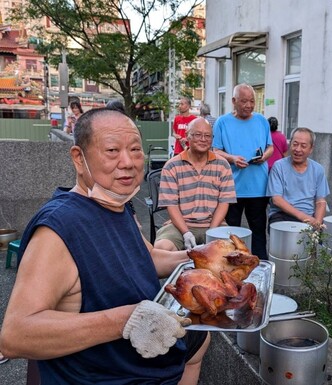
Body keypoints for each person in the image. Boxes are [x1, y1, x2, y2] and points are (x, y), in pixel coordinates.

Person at [0, 108, 210, 385]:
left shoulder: (116, 204)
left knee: (200, 337)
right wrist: (126, 319)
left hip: (147, 355)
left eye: (135, 150)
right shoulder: (60, 227)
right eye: (112, 150)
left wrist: (197, 256)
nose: (128, 162)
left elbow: (144, 256)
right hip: (109, 373)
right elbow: (16, 335)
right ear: (78, 158)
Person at [154, 117, 236, 251]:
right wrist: (185, 232)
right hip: (180, 224)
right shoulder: (172, 166)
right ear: (187, 136)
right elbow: (171, 205)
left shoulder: (223, 165)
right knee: (161, 249)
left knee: (231, 252)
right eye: (197, 134)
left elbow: (224, 202)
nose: (203, 139)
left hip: (214, 223)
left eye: (207, 136)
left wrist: (212, 232)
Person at [212, 83, 274, 259]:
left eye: (252, 101)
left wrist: (264, 157)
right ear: (233, 101)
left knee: (259, 230)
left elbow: (270, 147)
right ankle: (231, 265)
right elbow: (216, 151)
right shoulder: (222, 122)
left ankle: (261, 263)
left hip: (258, 187)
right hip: (232, 187)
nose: (249, 105)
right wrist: (232, 158)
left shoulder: (262, 120)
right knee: (231, 231)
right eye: (244, 101)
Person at [267, 127, 329, 229]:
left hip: (309, 215)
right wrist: (305, 218)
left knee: (317, 241)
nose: (298, 149)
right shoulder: (278, 166)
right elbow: (277, 200)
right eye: (295, 144)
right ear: (290, 144)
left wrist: (317, 223)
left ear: (311, 149)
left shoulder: (318, 169)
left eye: (303, 146)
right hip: (282, 215)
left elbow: (321, 201)